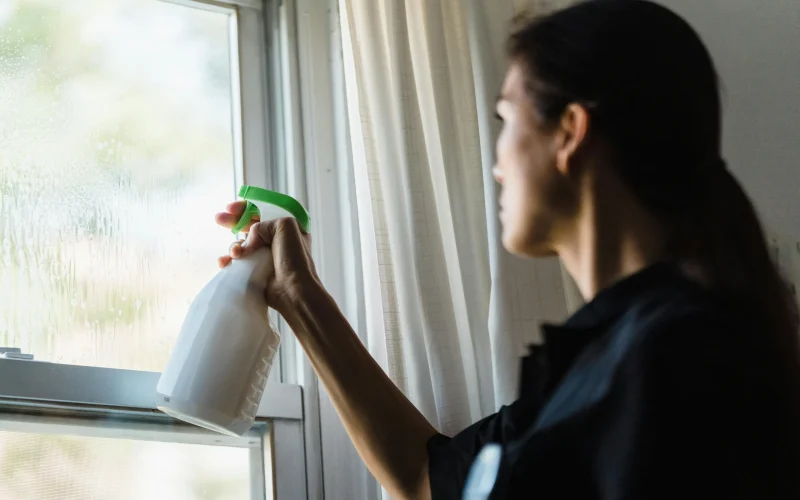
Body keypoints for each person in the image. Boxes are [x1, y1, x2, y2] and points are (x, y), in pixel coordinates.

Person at [215, 1, 800, 498]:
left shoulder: (681, 357)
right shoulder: (598, 366)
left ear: (569, 133)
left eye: (507, 118)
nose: (496, 166)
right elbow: (425, 477)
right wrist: (296, 294)